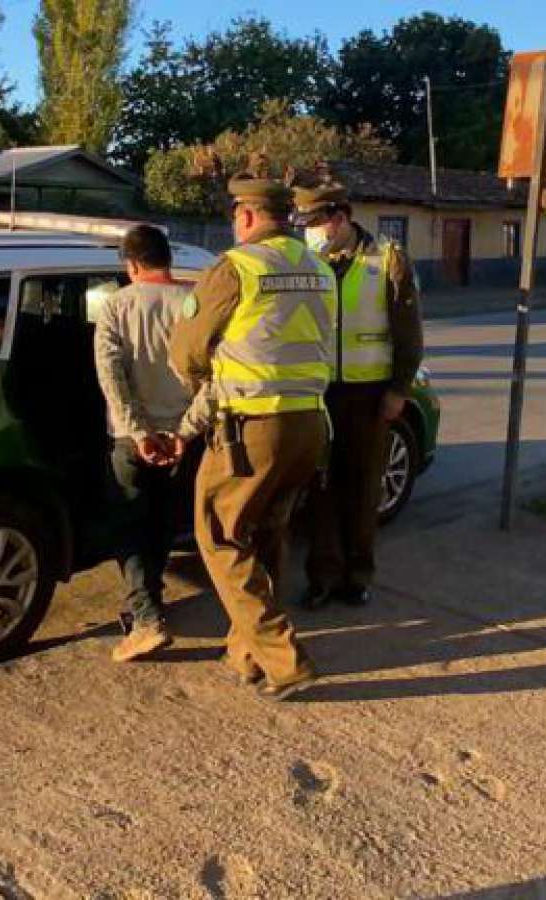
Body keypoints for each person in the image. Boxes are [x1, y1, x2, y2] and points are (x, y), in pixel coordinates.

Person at [169, 175, 336, 699]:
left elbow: (187, 353)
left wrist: (207, 385)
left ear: (244, 217)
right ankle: (247, 652)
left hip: (253, 428)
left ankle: (285, 660)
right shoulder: (318, 266)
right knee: (265, 536)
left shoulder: (237, 267)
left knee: (217, 536)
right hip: (309, 423)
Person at [293, 183, 424, 608]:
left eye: (317, 223)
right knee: (320, 489)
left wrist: (398, 390)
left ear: (341, 217)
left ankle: (357, 575)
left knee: (363, 488)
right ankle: (322, 578)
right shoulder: (306, 261)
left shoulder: (387, 259)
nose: (313, 232)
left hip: (370, 394)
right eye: (307, 225)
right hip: (319, 392)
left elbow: (408, 332)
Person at [94, 224, 211, 663]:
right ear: (168, 259)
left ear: (131, 264)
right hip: (183, 437)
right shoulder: (194, 304)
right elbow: (212, 376)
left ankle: (146, 618)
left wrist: (138, 433)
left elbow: (112, 376)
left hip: (132, 440)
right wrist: (183, 432)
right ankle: (151, 602)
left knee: (130, 525)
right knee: (163, 522)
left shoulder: (115, 307)